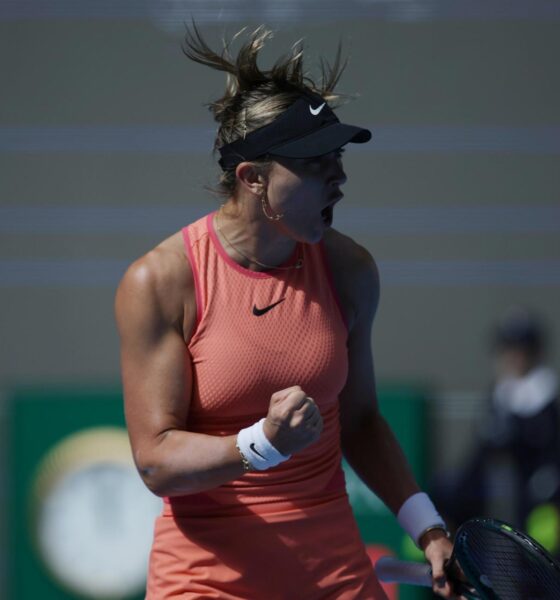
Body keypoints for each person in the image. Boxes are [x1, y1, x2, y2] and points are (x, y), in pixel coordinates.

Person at [115, 24, 453, 599]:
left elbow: (362, 419)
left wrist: (428, 527)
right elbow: (156, 460)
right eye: (317, 163)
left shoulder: (351, 271)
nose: (340, 178)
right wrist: (263, 442)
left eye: (338, 158)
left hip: (336, 576)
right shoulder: (161, 281)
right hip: (206, 580)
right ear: (252, 179)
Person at [433, 307, 560, 532]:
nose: (512, 357)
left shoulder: (546, 396)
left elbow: (546, 452)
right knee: (446, 490)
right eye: (507, 350)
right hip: (492, 485)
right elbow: (479, 452)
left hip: (535, 487)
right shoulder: (499, 393)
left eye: (520, 350)